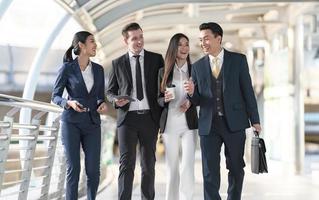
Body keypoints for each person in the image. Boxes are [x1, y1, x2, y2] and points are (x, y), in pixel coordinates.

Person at [184, 22, 262, 200]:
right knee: (209, 171)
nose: (203, 43)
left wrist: (255, 120)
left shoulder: (238, 60)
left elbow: (248, 92)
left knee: (235, 167)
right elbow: (197, 101)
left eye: (206, 39)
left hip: (234, 123)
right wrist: (191, 93)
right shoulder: (197, 67)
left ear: (218, 38)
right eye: (200, 40)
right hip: (208, 126)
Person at [106, 22, 164, 200]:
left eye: (141, 37)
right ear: (126, 40)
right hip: (127, 119)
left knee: (148, 165)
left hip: (150, 118)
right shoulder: (117, 63)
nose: (139, 41)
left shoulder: (156, 59)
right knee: (126, 165)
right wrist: (116, 99)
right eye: (134, 38)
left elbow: (163, 87)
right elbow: (110, 91)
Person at [51, 31, 107, 200]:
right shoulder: (67, 68)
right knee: (73, 168)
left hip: (92, 123)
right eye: (92, 41)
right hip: (71, 123)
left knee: (93, 170)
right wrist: (69, 103)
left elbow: (99, 96)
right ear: (81, 45)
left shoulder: (98, 69)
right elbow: (55, 96)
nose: (95, 44)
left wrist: (101, 104)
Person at [157, 33, 198, 200]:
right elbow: (157, 99)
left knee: (187, 165)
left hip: (189, 124)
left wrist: (191, 99)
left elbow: (202, 96)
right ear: (174, 48)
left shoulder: (195, 71)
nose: (184, 48)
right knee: (172, 167)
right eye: (180, 45)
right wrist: (164, 99)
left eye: (186, 44)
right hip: (170, 124)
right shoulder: (163, 72)